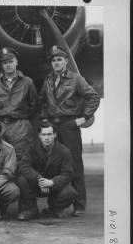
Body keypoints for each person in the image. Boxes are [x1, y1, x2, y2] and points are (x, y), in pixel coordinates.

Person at [39, 45, 100, 215]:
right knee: (54, 166)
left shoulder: (76, 79)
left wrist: (84, 117)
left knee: (74, 164)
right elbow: (42, 100)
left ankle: (79, 205)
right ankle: (56, 205)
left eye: (59, 59)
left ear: (66, 61)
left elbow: (93, 97)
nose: (56, 63)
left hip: (69, 126)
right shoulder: (48, 80)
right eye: (53, 60)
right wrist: (44, 119)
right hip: (53, 127)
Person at [17, 121, 78, 220]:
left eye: (49, 134)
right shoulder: (31, 149)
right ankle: (31, 209)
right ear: (39, 135)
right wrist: (39, 179)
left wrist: (52, 182)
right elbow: (24, 166)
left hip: (53, 186)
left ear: (55, 135)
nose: (46, 138)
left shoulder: (64, 151)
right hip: (36, 184)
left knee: (69, 192)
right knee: (21, 180)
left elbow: (68, 173)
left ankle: (55, 208)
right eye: (43, 134)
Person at [0, 47, 37, 162]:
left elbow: (34, 105)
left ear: (16, 62)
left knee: (21, 158)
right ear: (1, 65)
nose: (8, 65)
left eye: (10, 62)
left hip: (20, 126)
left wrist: (22, 118)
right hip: (0, 125)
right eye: (5, 63)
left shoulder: (27, 82)